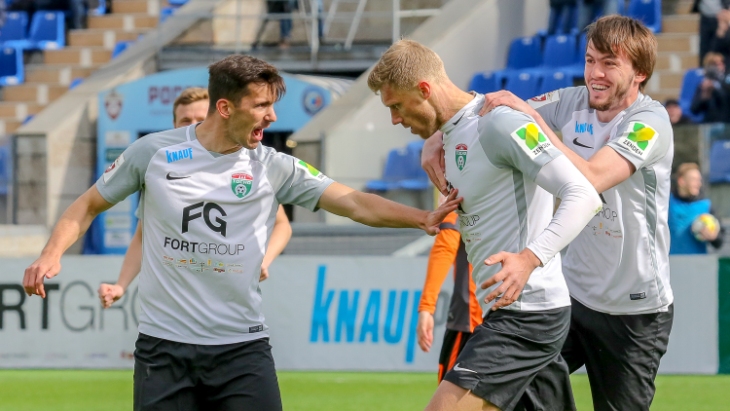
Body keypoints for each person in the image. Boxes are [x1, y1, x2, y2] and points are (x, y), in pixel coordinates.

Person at [23, 54, 461, 411]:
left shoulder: (273, 166)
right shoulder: (153, 154)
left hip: (241, 350)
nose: (272, 116)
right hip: (164, 350)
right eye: (261, 106)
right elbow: (87, 205)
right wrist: (51, 253)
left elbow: (353, 202)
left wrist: (421, 217)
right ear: (225, 108)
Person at [422, 15, 675, 411]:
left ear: (640, 72)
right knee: (521, 397)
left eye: (609, 63)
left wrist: (538, 123)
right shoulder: (573, 101)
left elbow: (592, 178)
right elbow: (497, 108)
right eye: (590, 60)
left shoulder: (650, 124)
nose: (595, 73)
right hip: (572, 300)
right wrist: (440, 134)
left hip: (634, 311)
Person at [368, 39, 601, 411]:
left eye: (396, 106)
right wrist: (437, 137)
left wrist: (529, 258)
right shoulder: (453, 133)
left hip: (528, 315)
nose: (395, 119)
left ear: (424, 90)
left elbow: (583, 194)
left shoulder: (500, 123)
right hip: (510, 311)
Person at [97, 87, 293, 308]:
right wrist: (121, 285)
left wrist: (265, 260)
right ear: (174, 126)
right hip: (175, 306)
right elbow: (143, 236)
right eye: (185, 121)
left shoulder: (244, 167)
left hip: (230, 301)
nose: (192, 126)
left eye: (200, 120)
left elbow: (282, 225)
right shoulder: (162, 173)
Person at [416, 210, 482, 383]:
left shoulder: (462, 206)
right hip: (519, 319)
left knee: (450, 393)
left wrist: (426, 307)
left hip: (472, 321)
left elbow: (444, 250)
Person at [669, 162, 725, 254]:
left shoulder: (706, 205)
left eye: (699, 180)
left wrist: (714, 237)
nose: (699, 184)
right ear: (681, 181)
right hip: (671, 261)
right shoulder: (667, 203)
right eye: (694, 180)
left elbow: (719, 241)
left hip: (697, 261)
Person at [690, 52, 730, 123]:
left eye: (721, 63)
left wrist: (716, 88)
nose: (720, 67)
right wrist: (705, 95)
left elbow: (726, 102)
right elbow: (694, 109)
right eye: (715, 64)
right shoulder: (703, 85)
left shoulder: (726, 82)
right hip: (710, 123)